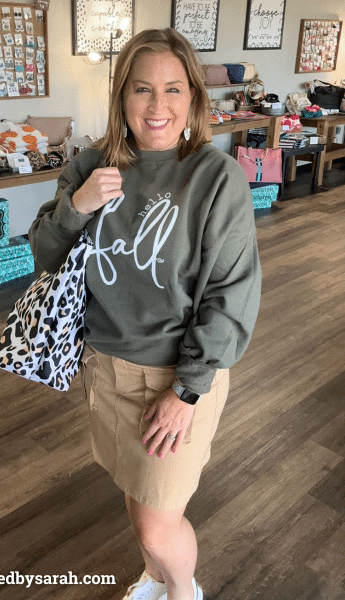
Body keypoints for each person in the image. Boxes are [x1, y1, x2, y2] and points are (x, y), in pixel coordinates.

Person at [29, 28, 261, 600]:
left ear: (193, 99)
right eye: (141, 89)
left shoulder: (214, 177)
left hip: (176, 377)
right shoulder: (87, 165)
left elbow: (231, 294)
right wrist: (77, 205)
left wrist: (187, 390)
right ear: (121, 98)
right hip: (103, 367)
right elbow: (42, 252)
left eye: (173, 89)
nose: (157, 106)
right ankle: (157, 579)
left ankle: (181, 589)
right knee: (139, 502)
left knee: (158, 525)